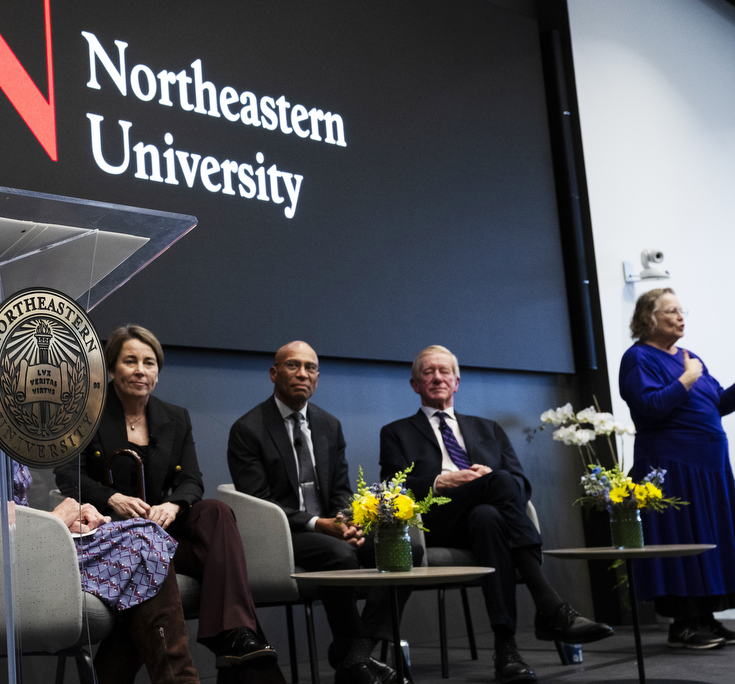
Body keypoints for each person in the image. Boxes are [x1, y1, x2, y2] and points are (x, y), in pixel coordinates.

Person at [379, 345, 611, 684]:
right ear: (415, 384)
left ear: (457, 382)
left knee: (488, 514)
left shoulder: (488, 428)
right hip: (437, 521)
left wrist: (490, 482)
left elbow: (519, 484)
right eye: (428, 372)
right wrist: (441, 481)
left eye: (444, 371)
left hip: (489, 523)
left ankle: (507, 650)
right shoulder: (396, 432)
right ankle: (549, 605)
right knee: (496, 483)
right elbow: (391, 488)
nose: (437, 377)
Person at [56, 325, 277, 674]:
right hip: (112, 538)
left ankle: (233, 633)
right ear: (112, 368)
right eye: (130, 361)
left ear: (158, 372)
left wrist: (173, 505)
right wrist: (112, 497)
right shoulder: (85, 414)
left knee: (216, 511)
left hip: (163, 529)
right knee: (152, 558)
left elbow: (191, 479)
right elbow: (68, 476)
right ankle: (234, 644)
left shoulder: (177, 416)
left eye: (149, 362)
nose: (141, 370)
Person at [0, 397, 202, 684]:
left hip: (30, 540)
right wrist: (57, 518)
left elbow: (12, 509)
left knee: (143, 537)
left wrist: (68, 520)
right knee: (142, 540)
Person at [228, 340, 403, 684]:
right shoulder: (248, 429)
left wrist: (346, 521)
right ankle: (355, 656)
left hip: (328, 529)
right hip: (282, 535)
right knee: (340, 554)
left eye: (310, 368)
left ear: (318, 379)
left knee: (402, 549)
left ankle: (355, 652)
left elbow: (340, 489)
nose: (302, 374)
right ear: (274, 373)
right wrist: (317, 524)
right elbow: (259, 502)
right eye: (293, 365)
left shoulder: (329, 425)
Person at [618, 288, 735, 648]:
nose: (680, 316)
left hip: (709, 467)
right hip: (672, 466)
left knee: (711, 544)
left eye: (681, 310)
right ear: (648, 319)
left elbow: (717, 404)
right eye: (671, 311)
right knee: (681, 540)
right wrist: (686, 379)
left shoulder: (689, 356)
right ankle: (683, 625)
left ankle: (707, 619)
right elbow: (649, 407)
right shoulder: (638, 358)